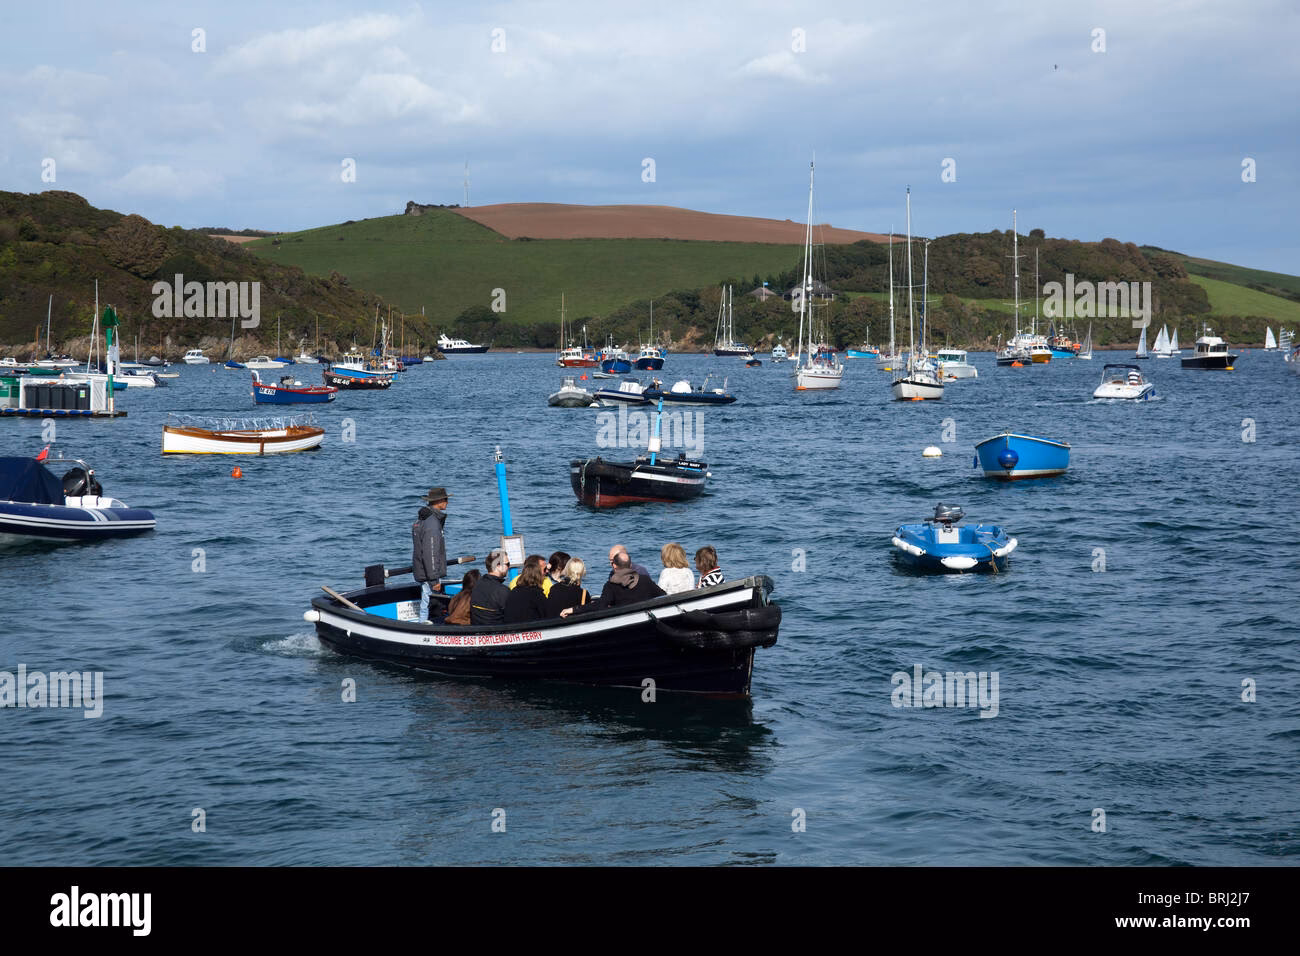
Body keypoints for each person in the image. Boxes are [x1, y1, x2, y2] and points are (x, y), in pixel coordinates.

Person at [562, 552, 664, 616]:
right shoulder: (645, 580)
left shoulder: (611, 586)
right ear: (630, 565)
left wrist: (574, 609)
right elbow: (663, 595)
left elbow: (600, 605)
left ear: (614, 566)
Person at [411, 487, 451, 620]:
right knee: (429, 605)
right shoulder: (432, 523)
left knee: (425, 603)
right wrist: (434, 579)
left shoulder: (421, 520)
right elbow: (431, 553)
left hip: (422, 570)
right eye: (445, 499)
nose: (447, 502)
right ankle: (424, 630)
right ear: (439, 501)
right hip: (430, 574)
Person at [469, 550, 511, 625]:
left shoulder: (477, 585)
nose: (509, 567)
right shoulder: (502, 591)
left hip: (477, 630)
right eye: (507, 564)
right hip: (497, 632)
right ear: (498, 566)